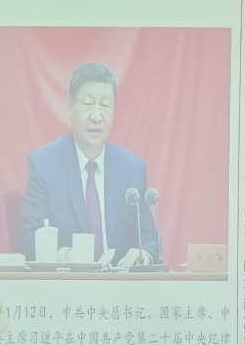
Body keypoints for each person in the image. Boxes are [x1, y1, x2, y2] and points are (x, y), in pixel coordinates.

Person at [23, 57, 161, 268]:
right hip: (67, 282)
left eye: (105, 105)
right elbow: (29, 236)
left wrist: (144, 254)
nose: (97, 116)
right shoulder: (44, 165)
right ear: (69, 107)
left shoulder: (132, 169)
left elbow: (149, 238)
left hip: (118, 284)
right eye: (88, 104)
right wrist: (66, 256)